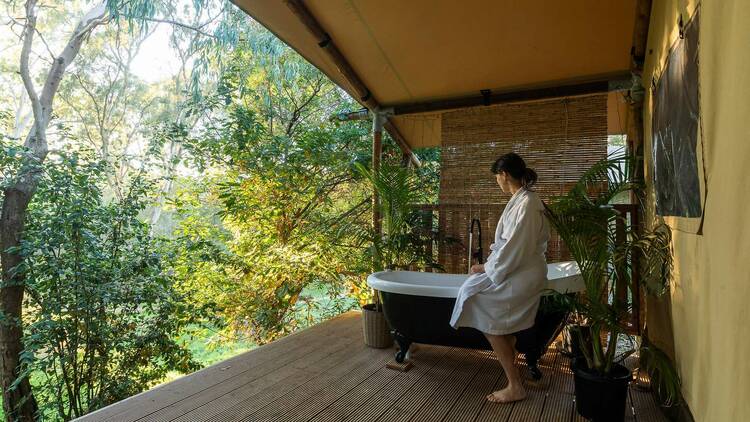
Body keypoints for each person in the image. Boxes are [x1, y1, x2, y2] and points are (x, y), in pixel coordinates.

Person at [449, 152, 550, 403]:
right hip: (516, 268)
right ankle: (510, 342)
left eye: (497, 176)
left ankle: (515, 385)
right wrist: (488, 267)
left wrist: (486, 268)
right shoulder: (521, 199)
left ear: (504, 175)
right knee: (480, 300)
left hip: (522, 272)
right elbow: (509, 248)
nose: (497, 181)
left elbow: (515, 247)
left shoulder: (527, 203)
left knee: (482, 308)